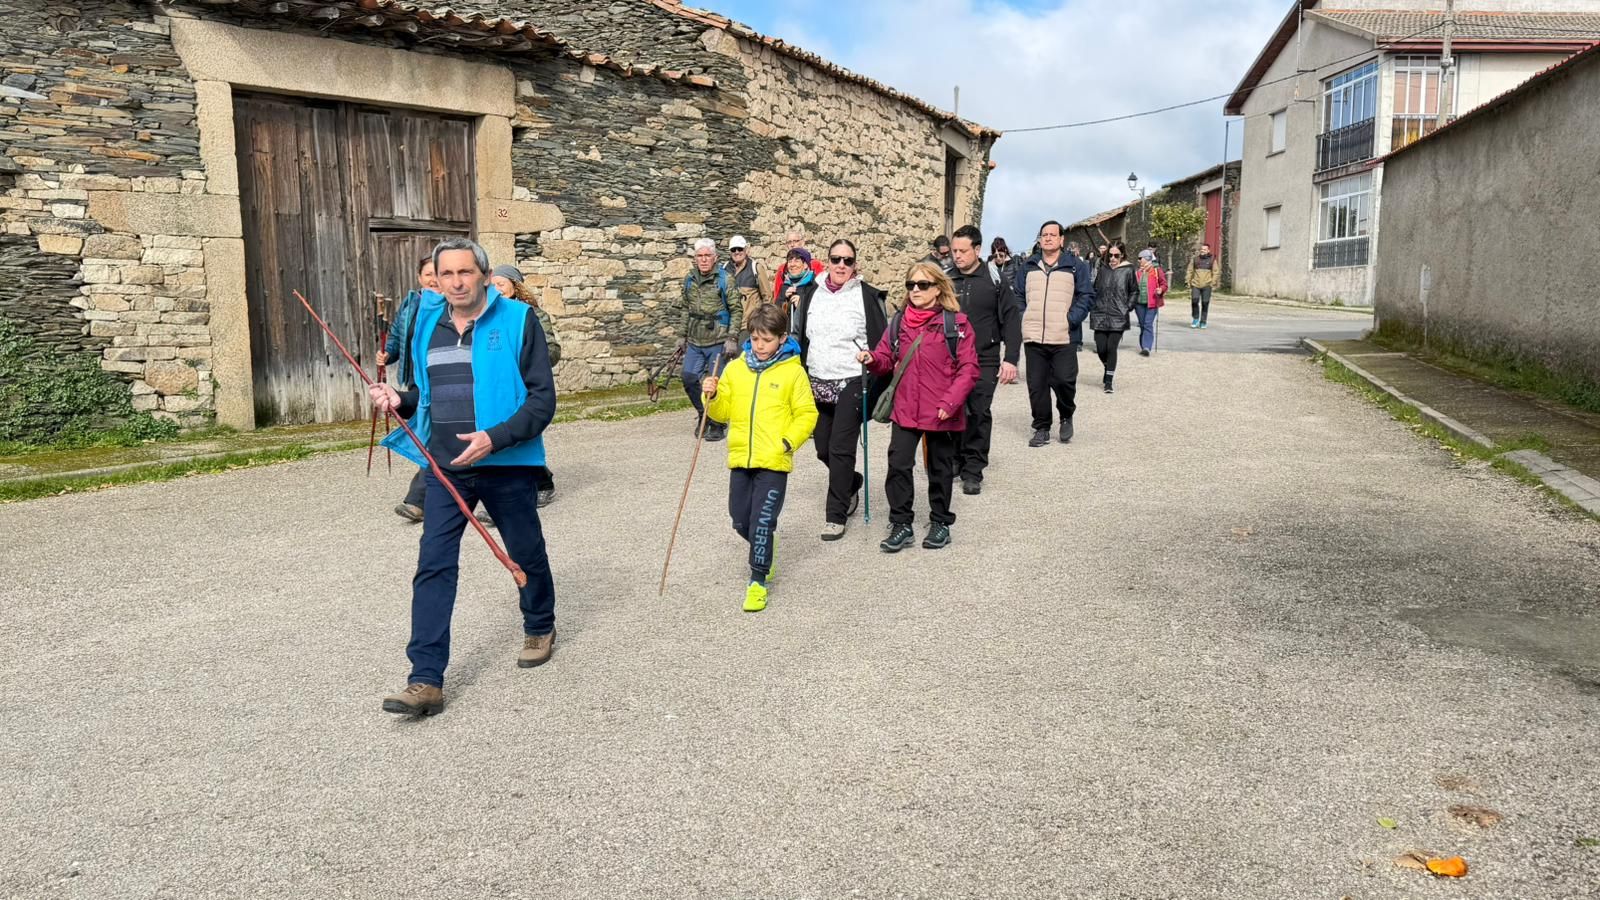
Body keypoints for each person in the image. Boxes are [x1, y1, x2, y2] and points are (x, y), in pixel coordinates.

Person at [367, 238, 558, 717]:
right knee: (433, 564)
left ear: (484, 275)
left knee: (525, 551)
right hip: (445, 467)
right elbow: (423, 394)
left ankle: (540, 623)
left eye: (465, 272)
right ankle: (425, 678)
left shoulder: (518, 320)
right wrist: (399, 400)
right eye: (445, 274)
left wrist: (495, 437)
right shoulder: (427, 324)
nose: (455, 283)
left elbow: (542, 401)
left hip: (505, 463)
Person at [702, 304, 818, 612]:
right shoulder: (735, 369)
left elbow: (807, 414)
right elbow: (721, 413)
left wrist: (787, 442)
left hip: (773, 461)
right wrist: (711, 395)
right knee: (740, 520)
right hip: (741, 457)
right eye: (755, 339)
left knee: (762, 522)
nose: (760, 345)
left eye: (767, 339)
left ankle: (757, 581)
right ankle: (763, 545)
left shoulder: (793, 372)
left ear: (781, 338)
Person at [857, 262, 979, 553]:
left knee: (940, 468)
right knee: (898, 464)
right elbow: (886, 357)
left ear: (938, 288)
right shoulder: (899, 322)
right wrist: (872, 359)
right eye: (911, 284)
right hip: (906, 406)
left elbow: (969, 368)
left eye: (923, 285)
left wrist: (951, 402)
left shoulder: (956, 324)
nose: (915, 290)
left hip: (941, 409)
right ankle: (901, 523)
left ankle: (940, 521)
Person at [789, 238, 887, 540]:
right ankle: (851, 481)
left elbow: (882, 342)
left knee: (841, 448)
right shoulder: (811, 293)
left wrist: (872, 362)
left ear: (855, 264)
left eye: (848, 260)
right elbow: (801, 337)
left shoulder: (866, 295)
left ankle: (835, 515)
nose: (841, 265)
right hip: (818, 380)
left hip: (852, 380)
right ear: (827, 261)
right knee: (822, 448)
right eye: (836, 259)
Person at [948, 224, 1021, 496]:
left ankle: (973, 469)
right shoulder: (946, 279)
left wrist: (1010, 358)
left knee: (978, 412)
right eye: (954, 251)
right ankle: (955, 458)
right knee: (953, 409)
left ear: (977, 250)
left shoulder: (995, 280)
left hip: (984, 358)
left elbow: (1011, 319)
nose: (957, 255)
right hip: (951, 359)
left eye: (962, 250)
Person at [1015, 220, 1093, 447]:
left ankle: (1066, 414)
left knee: (1064, 380)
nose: (1048, 238)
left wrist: (1071, 319)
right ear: (1039, 239)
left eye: (1052, 234)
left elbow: (1087, 295)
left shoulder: (1075, 266)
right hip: (1034, 335)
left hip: (1063, 336)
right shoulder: (1028, 266)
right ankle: (1041, 427)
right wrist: (1024, 316)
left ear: (1061, 239)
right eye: (1044, 235)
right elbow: (1017, 295)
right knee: (1037, 385)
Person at [490, 264, 561, 507]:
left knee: (524, 432)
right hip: (500, 386)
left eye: (501, 284)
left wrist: (529, 358)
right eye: (492, 285)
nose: (496, 289)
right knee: (503, 433)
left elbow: (552, 351)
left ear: (515, 286)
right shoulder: (490, 315)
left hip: (526, 385)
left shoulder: (533, 315)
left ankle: (542, 484)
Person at [380, 255, 437, 523]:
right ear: (419, 278)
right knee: (434, 436)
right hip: (417, 380)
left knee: (435, 436)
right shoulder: (411, 304)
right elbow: (396, 336)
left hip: (443, 378)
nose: (434, 279)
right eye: (428, 274)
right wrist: (388, 354)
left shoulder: (453, 305)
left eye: (438, 273)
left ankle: (418, 500)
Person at [680, 237, 736, 441]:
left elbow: (736, 309)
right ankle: (704, 414)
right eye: (700, 256)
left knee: (715, 383)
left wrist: (732, 337)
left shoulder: (725, 279)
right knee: (688, 377)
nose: (703, 260)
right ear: (695, 258)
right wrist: (681, 335)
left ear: (715, 258)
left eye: (707, 256)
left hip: (718, 340)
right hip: (695, 340)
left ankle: (718, 423)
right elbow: (685, 308)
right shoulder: (689, 279)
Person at [1089, 241, 1139, 394]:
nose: (1112, 258)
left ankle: (1108, 382)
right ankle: (1107, 367)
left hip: (1118, 314)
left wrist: (1128, 306)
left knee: (1111, 348)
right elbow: (1095, 289)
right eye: (1110, 255)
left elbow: (1134, 291)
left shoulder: (1128, 270)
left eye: (1116, 255)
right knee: (1101, 348)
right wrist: (1092, 304)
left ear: (1122, 255)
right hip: (1099, 313)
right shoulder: (1103, 269)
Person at [722, 234, 771, 337]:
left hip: (749, 325)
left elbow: (767, 296)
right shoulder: (724, 268)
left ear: (745, 250)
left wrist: (764, 322)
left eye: (739, 249)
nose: (737, 252)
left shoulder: (756, 268)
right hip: (728, 325)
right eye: (733, 249)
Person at [773, 228, 825, 301]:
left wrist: (802, 302)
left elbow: (822, 290)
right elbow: (777, 295)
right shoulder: (782, 269)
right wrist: (784, 297)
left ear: (802, 242)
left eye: (795, 241)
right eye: (789, 242)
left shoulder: (815, 265)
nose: (792, 245)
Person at [1135, 248, 1169, 356]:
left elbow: (1164, 284)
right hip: (1139, 303)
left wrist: (1161, 290)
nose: (1138, 260)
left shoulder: (1156, 270)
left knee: (1148, 324)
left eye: (1140, 258)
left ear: (1147, 259)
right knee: (1142, 325)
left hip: (1152, 302)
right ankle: (1143, 346)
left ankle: (1147, 347)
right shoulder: (1138, 272)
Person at [776, 248, 816, 314]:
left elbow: (819, 311)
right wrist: (784, 299)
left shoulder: (813, 285)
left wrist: (802, 305)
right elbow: (776, 312)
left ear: (805, 265)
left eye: (797, 261)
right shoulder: (785, 286)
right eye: (790, 261)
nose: (792, 265)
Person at [1187, 242, 1216, 329]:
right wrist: (1188, 281)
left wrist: (1212, 283)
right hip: (1196, 284)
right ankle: (1195, 319)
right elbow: (1190, 271)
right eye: (1201, 249)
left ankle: (1203, 321)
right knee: (1194, 301)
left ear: (1208, 250)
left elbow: (1216, 272)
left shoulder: (1212, 260)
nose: (1202, 251)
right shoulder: (1195, 259)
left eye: (1204, 249)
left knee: (1205, 303)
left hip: (1207, 285)